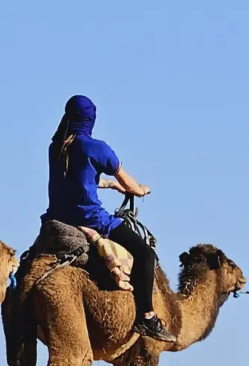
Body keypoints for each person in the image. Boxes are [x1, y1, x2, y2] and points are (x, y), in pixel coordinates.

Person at [42, 95, 175, 343]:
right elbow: (130, 184)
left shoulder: (56, 147)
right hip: (92, 219)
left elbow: (80, 181)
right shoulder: (97, 148)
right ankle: (146, 316)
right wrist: (139, 190)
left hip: (57, 217)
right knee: (145, 254)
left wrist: (111, 186)